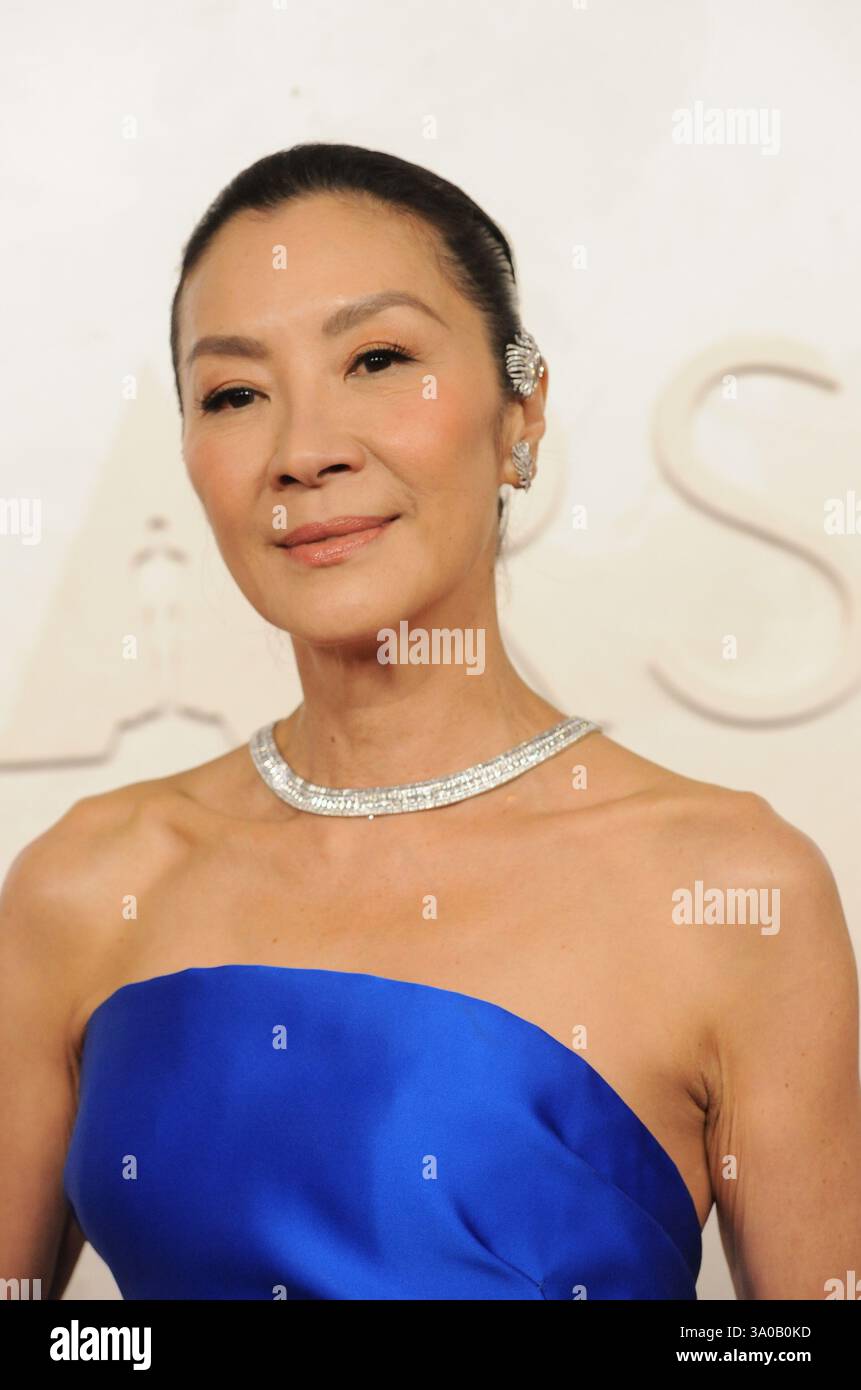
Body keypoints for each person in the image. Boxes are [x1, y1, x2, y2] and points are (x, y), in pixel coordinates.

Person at [1, 143, 858, 1301]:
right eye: (237, 392)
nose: (304, 451)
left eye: (379, 358)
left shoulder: (733, 890)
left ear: (523, 410)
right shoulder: (82, 887)